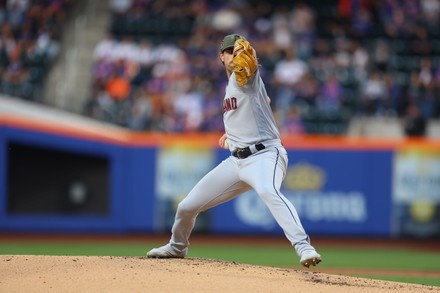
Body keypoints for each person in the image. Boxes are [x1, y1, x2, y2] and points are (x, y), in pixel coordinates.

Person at [147, 34, 322, 268]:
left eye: (238, 51)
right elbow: (253, 106)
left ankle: (304, 246)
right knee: (186, 207)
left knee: (269, 192)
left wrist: (246, 65)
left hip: (265, 155)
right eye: (230, 51)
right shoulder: (231, 86)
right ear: (221, 56)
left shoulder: (247, 76)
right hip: (237, 161)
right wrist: (232, 136)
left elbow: (248, 78)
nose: (235, 55)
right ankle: (177, 247)